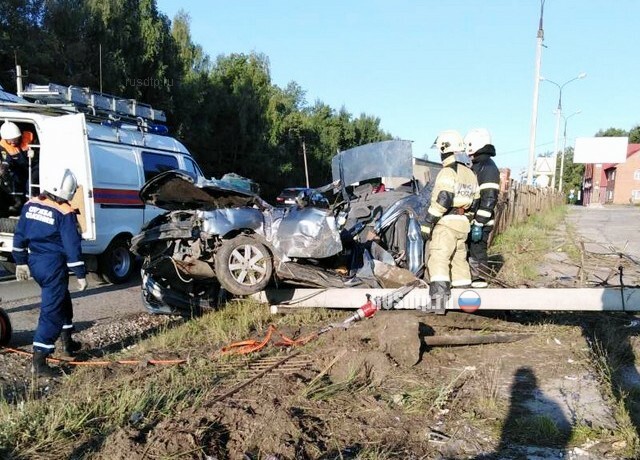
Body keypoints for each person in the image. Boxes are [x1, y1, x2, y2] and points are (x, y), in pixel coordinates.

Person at [12, 168, 88, 377]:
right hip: (53, 265)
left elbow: (19, 235)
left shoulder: (31, 204)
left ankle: (68, 343)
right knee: (51, 310)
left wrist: (20, 261)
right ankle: (39, 360)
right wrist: (80, 273)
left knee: (62, 300)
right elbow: (72, 246)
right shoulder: (64, 212)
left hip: (35, 262)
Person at [421, 130, 479, 312]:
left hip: (446, 223)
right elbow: (476, 201)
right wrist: (467, 218)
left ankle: (437, 303)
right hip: (463, 224)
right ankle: (466, 303)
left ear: (444, 150)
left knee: (439, 257)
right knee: (459, 261)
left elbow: (444, 198)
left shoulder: (447, 171)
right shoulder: (469, 173)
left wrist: (428, 221)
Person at [464, 128, 500, 288]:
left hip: (481, 222)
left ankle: (481, 281)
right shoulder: (480, 165)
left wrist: (479, 222)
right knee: (472, 251)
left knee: (478, 251)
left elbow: (489, 198)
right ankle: (474, 279)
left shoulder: (487, 168)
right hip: (474, 220)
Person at [0, 121, 35, 213]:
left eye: (14, 140)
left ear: (19, 136)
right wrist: (3, 170)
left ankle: (30, 204)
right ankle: (17, 202)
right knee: (13, 178)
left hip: (34, 165)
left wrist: (35, 153)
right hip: (18, 166)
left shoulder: (30, 137)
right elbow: (7, 160)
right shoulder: (3, 144)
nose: (12, 143)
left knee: (32, 181)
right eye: (9, 141)